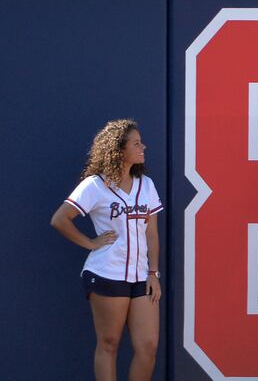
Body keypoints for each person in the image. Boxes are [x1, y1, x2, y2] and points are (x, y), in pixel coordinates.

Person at [51, 119, 163, 381]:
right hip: (106, 272)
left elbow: (152, 234)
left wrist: (154, 273)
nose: (143, 146)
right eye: (136, 143)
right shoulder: (95, 185)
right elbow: (59, 219)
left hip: (141, 276)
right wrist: (90, 243)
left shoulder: (145, 184)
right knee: (109, 343)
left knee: (148, 347)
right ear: (118, 149)